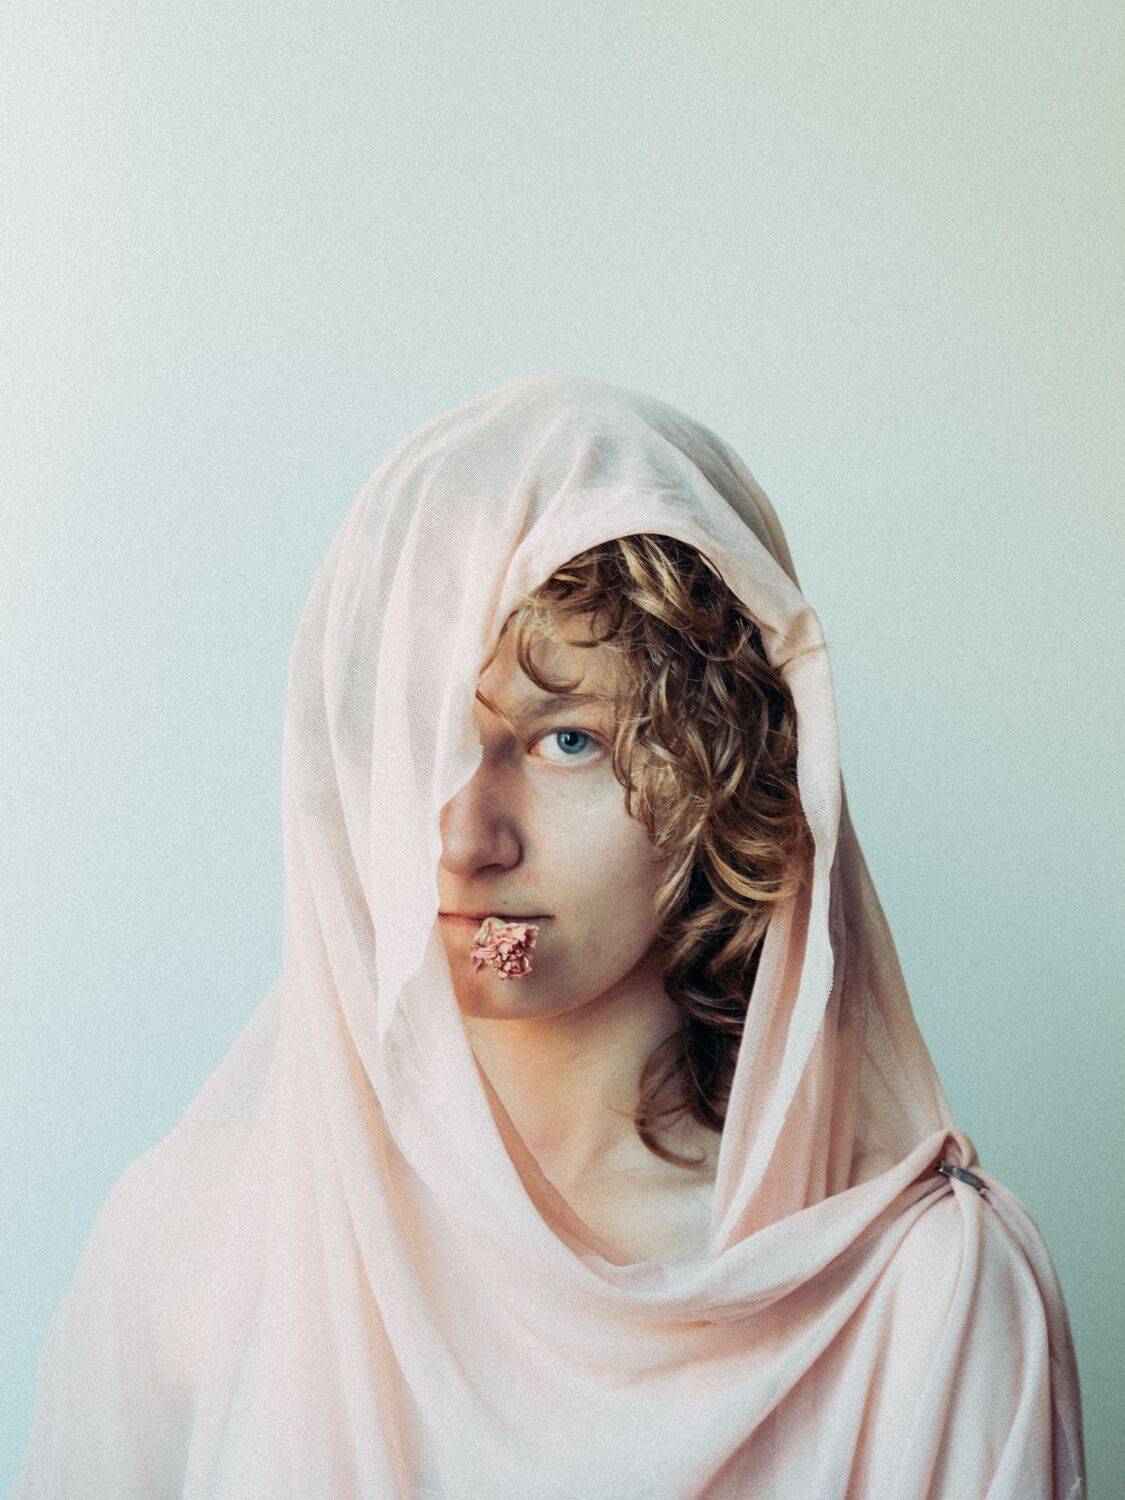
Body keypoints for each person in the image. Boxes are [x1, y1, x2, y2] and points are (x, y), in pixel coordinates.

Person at [13, 374, 1085, 1497]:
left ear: (720, 770)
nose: (465, 840)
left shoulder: (925, 1297)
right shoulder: (195, 1248)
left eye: (567, 740)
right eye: (422, 741)